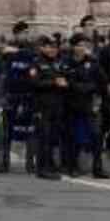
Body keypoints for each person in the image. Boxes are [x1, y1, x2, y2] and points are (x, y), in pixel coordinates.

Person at [64, 33, 110, 179]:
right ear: (73, 47)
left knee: (96, 136)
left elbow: (103, 82)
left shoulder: (93, 62)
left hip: (90, 106)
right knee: (73, 138)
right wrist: (88, 87)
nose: (82, 48)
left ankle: (98, 168)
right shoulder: (67, 63)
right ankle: (72, 167)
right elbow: (69, 84)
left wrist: (94, 90)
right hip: (72, 105)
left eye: (85, 45)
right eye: (79, 45)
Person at [0, 21, 37, 173]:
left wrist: (15, 51)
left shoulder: (30, 49)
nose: (26, 36)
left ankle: (30, 163)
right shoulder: (5, 49)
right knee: (7, 130)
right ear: (16, 34)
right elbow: (0, 57)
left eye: (27, 33)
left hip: (28, 95)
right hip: (11, 95)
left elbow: (34, 56)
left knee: (29, 130)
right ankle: (4, 162)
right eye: (23, 33)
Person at [30, 35, 68, 179]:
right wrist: (53, 82)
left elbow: (67, 78)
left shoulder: (60, 63)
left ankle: (51, 165)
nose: (53, 50)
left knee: (53, 137)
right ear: (43, 48)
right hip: (42, 106)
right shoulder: (37, 63)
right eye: (49, 47)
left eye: (55, 48)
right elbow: (34, 83)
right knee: (44, 137)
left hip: (57, 105)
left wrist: (64, 82)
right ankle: (42, 168)